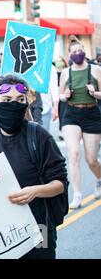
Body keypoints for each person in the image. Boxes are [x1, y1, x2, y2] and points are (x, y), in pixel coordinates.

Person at [0, 74, 68, 259]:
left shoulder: (39, 136)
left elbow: (60, 183)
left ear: (27, 102)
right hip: (1, 226)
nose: (13, 105)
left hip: (39, 223)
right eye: (7, 100)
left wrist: (34, 191)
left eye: (20, 100)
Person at [59, 35, 101, 209]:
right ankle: (76, 195)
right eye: (74, 51)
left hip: (91, 112)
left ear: (84, 51)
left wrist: (95, 93)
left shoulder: (96, 70)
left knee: (91, 159)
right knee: (73, 153)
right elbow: (60, 95)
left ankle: (99, 179)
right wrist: (65, 96)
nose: (78, 53)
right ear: (69, 54)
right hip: (71, 114)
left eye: (80, 50)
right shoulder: (65, 72)